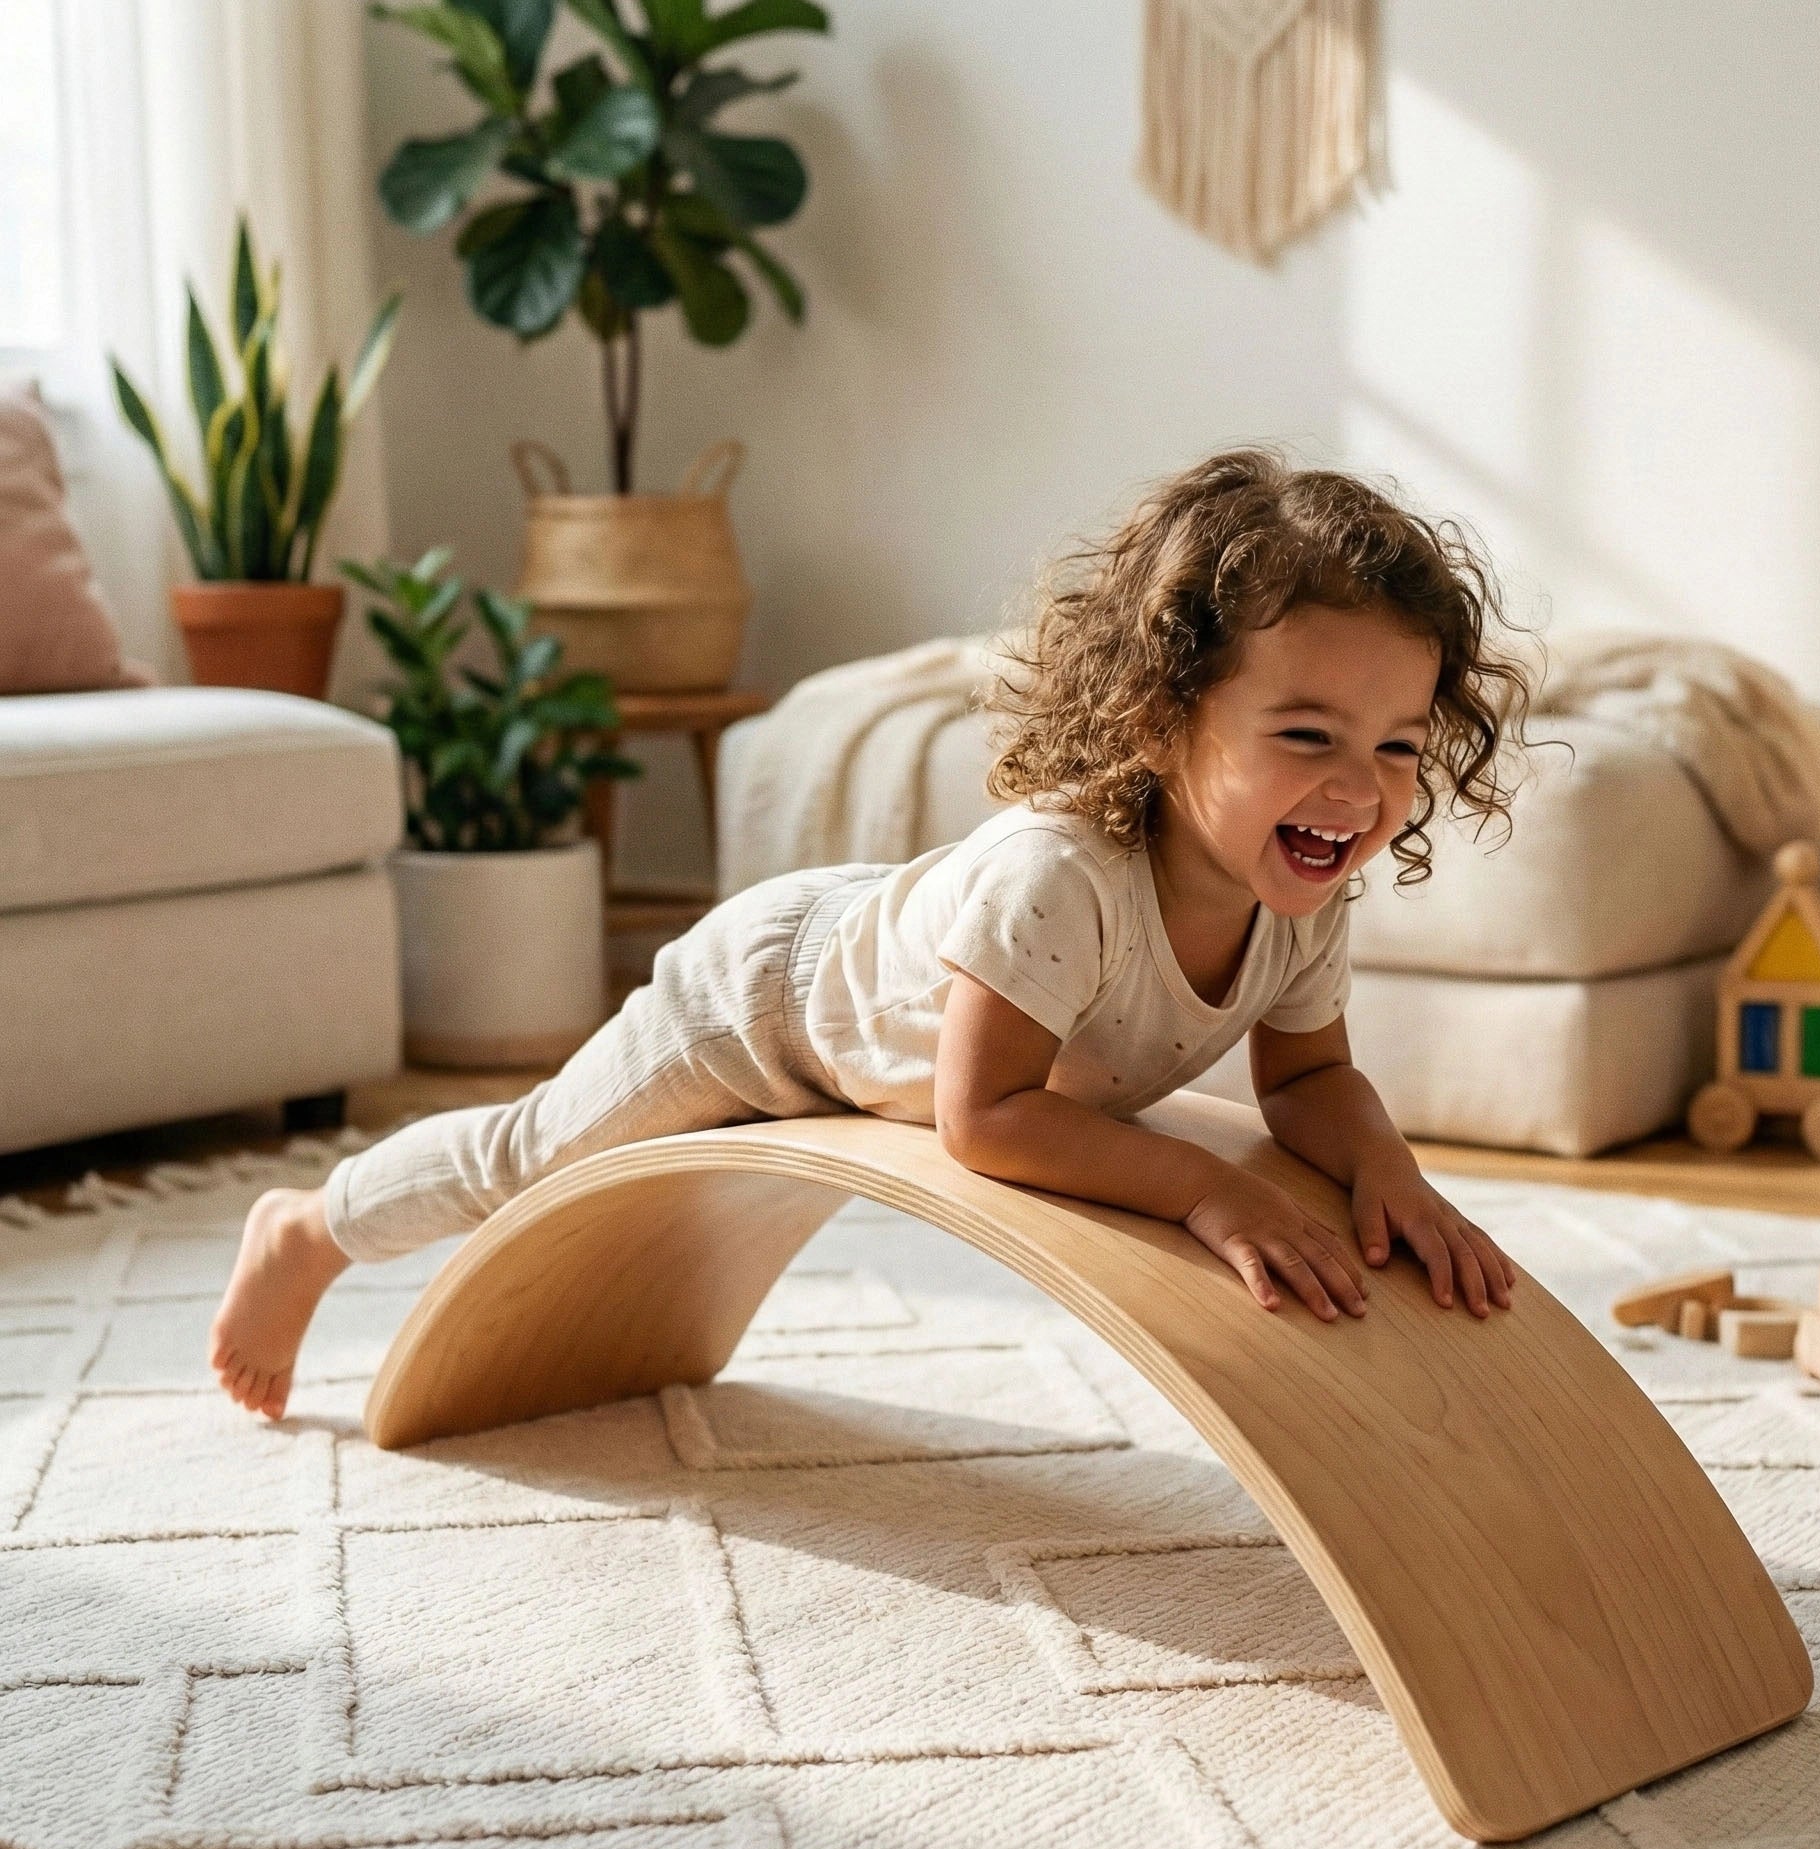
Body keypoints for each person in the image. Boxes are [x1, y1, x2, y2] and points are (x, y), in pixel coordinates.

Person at [211, 448, 1528, 1420]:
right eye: (1307, 737)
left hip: (865, 1011)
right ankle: (308, 1230)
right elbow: (989, 1119)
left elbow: (1308, 1080)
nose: (1360, 790)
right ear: (1163, 718)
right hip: (762, 1007)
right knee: (534, 1154)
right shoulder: (1061, 876)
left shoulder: (1301, 890)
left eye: (1398, 746)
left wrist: (1385, 1174)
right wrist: (1207, 1187)